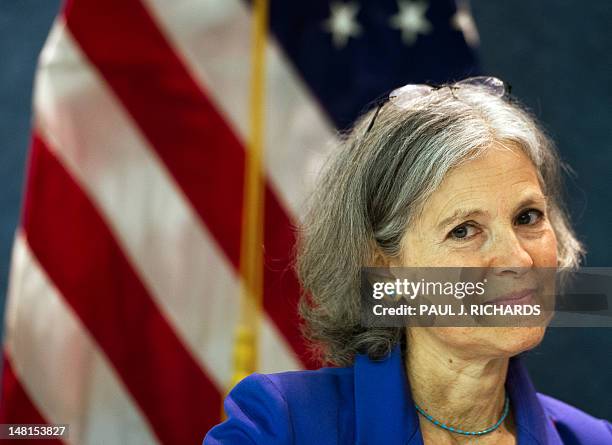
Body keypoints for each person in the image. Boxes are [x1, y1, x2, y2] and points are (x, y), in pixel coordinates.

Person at [204, 77, 612, 444]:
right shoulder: (281, 425)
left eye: (528, 218)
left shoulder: (593, 439)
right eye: (464, 229)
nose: (518, 258)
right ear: (383, 265)